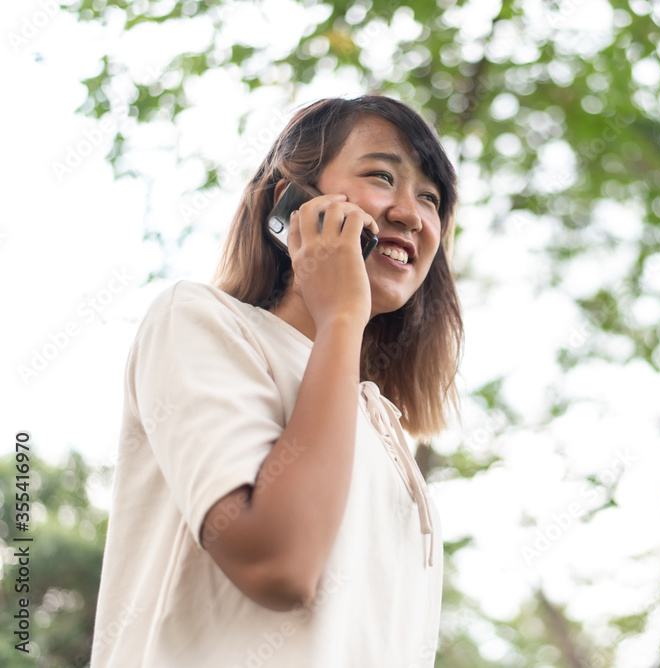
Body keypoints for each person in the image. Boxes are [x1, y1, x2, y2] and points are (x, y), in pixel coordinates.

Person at [90, 94, 464, 667]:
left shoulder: (385, 435)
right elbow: (277, 565)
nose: (412, 215)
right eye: (382, 176)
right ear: (291, 202)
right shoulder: (198, 321)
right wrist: (341, 317)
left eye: (431, 199)